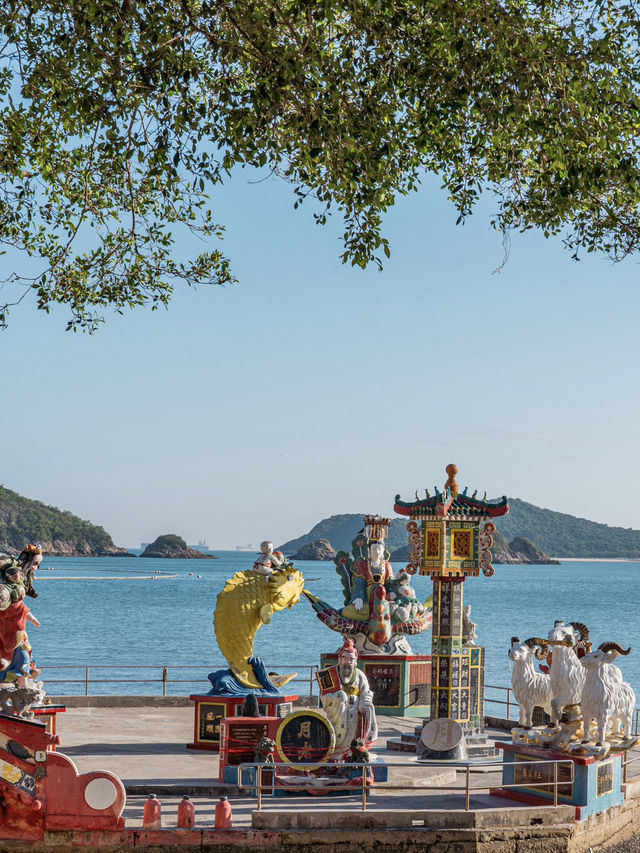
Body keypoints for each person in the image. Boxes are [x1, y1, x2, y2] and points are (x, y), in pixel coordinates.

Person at [321, 638, 378, 754]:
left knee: (367, 706)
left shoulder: (360, 676)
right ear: (339, 659)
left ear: (356, 661)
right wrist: (339, 697)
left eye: (351, 659)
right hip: (338, 715)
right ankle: (337, 752)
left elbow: (366, 693)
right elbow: (325, 697)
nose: (348, 662)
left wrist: (360, 702)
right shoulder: (329, 675)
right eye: (345, 658)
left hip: (355, 714)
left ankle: (357, 748)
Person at [0, 561, 40, 671]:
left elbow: (25, 611)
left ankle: (22, 673)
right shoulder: (7, 594)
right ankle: (19, 674)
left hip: (18, 630)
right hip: (9, 630)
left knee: (22, 651)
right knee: (19, 652)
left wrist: (35, 621)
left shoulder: (19, 606)